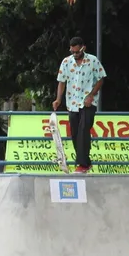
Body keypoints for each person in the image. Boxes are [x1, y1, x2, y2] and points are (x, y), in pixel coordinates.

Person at [52, 36, 106, 173]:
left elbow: (100, 79)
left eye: (77, 52)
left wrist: (91, 95)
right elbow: (61, 82)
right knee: (75, 133)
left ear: (83, 48)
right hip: (72, 102)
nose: (75, 55)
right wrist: (58, 99)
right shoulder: (66, 62)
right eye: (73, 52)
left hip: (88, 102)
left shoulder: (92, 61)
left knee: (83, 130)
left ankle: (81, 164)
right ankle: (86, 163)